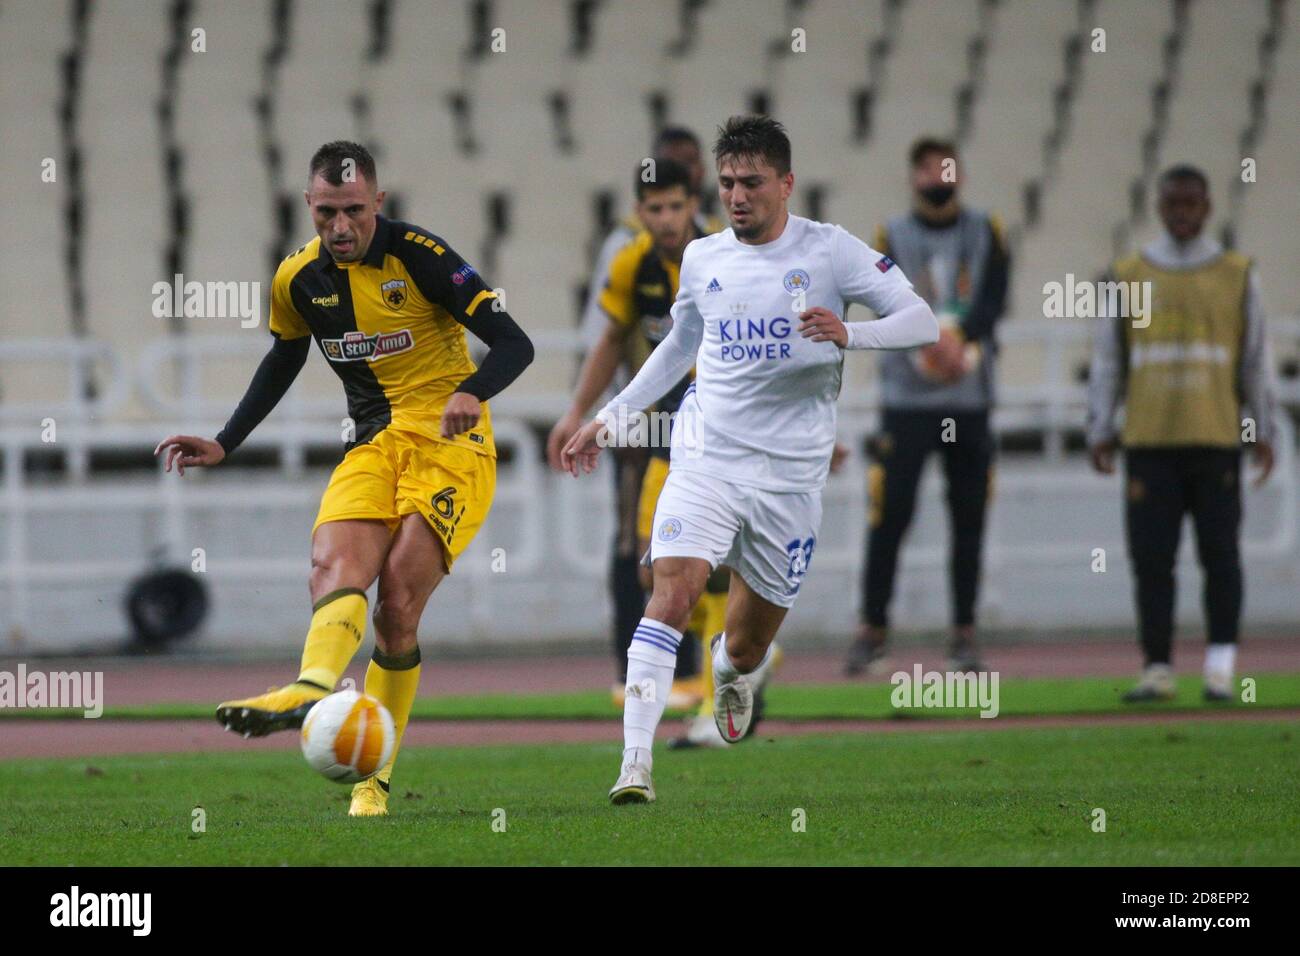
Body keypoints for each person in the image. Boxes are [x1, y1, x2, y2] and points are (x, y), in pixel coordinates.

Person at [561, 115, 939, 803]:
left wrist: (850, 331)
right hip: (706, 455)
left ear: (786, 183)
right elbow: (678, 348)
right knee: (670, 589)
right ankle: (634, 764)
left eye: (753, 183)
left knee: (746, 644)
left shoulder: (832, 252)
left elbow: (923, 321)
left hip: (790, 477)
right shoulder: (705, 258)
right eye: (729, 182)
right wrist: (611, 419)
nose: (738, 196)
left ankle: (731, 674)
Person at [154, 141, 533, 815]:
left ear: (377, 203)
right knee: (335, 565)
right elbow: (283, 359)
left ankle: (373, 782)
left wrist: (473, 391)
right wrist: (224, 441)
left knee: (397, 609)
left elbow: (515, 342)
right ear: (308, 207)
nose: (341, 227)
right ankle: (309, 687)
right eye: (327, 212)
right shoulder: (297, 279)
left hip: (452, 444)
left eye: (354, 211)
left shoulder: (422, 255)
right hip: (371, 447)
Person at [1088, 164, 1277, 703]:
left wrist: (1262, 427)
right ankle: (1158, 667)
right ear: (1160, 206)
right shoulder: (1128, 274)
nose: (1182, 213)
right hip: (1148, 440)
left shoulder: (1238, 274)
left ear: (1208, 207)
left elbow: (1255, 360)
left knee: (1220, 556)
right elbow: (1108, 360)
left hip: (1215, 437)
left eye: (1191, 204)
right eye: (1173, 204)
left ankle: (1220, 666)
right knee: (1152, 560)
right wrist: (1101, 426)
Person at [561, 127, 724, 708]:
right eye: (654, 208)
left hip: (722, 430)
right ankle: (665, 679)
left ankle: (717, 673)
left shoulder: (725, 255)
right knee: (651, 558)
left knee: (720, 557)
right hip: (658, 431)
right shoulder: (633, 264)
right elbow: (610, 338)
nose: (665, 219)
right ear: (640, 211)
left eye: (675, 206)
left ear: (693, 204)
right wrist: (581, 411)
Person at [845, 137, 1010, 676]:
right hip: (906, 401)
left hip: (969, 400)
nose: (936, 178)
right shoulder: (890, 233)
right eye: (925, 169)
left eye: (944, 168)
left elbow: (994, 296)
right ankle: (872, 632)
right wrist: (929, 339)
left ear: (959, 174)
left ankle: (964, 634)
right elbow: (881, 292)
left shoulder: (988, 230)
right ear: (912, 175)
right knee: (889, 515)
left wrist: (962, 336)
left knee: (968, 519)